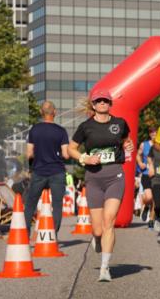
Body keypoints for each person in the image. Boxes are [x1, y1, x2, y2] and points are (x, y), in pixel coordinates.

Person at [69, 88, 133, 282]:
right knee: (97, 229)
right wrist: (84, 158)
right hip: (94, 178)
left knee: (109, 221)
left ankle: (105, 268)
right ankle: (97, 239)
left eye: (106, 100)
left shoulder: (120, 123)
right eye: (99, 101)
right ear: (94, 105)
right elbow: (71, 149)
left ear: (110, 103)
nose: (102, 103)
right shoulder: (85, 127)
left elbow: (127, 142)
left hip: (115, 175)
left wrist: (128, 147)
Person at [24, 101, 70, 236]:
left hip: (39, 171)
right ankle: (52, 235)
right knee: (57, 204)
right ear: (54, 112)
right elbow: (66, 155)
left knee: (30, 204)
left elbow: (29, 153)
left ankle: (25, 234)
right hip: (57, 172)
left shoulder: (34, 130)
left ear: (40, 112)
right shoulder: (61, 131)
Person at [136, 127, 157, 227]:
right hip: (146, 174)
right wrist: (140, 163)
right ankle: (146, 207)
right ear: (149, 134)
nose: (153, 134)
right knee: (149, 197)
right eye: (151, 132)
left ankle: (151, 220)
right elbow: (138, 154)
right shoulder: (144, 144)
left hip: (158, 174)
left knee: (155, 199)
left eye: (155, 132)